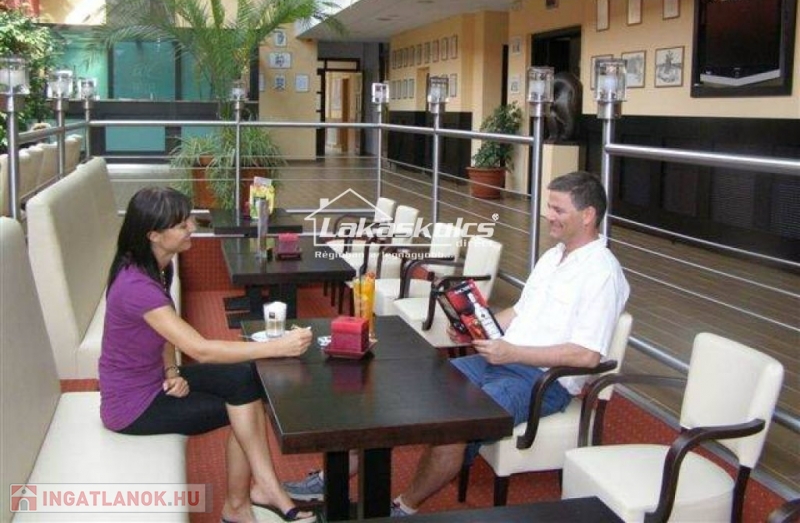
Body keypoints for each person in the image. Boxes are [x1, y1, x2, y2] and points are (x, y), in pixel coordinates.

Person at [284, 171, 629, 516]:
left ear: (588, 215)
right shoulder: (553, 256)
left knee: (451, 424)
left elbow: (587, 355)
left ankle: (404, 507)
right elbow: (519, 312)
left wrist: (512, 352)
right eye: (549, 206)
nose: (548, 215)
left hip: (540, 381)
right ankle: (331, 479)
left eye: (558, 209)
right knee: (399, 394)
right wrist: (475, 329)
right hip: (499, 360)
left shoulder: (602, 274)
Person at [99, 187, 316, 523]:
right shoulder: (136, 286)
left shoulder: (158, 265)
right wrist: (278, 346)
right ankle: (248, 500)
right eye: (181, 224)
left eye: (189, 220)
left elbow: (165, 333)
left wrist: (171, 372)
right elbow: (200, 349)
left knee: (246, 379)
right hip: (133, 406)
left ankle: (253, 496)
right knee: (244, 406)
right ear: (153, 235)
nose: (192, 227)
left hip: (155, 380)